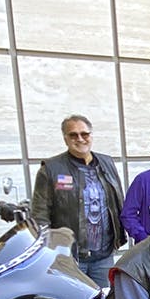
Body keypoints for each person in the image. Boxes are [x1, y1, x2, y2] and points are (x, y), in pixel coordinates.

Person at [30, 114, 126, 288]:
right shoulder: (51, 169)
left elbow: (118, 201)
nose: (80, 139)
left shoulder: (106, 163)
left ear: (91, 135)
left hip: (103, 256)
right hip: (68, 258)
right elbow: (40, 217)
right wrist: (49, 253)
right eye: (73, 135)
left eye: (85, 134)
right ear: (65, 138)